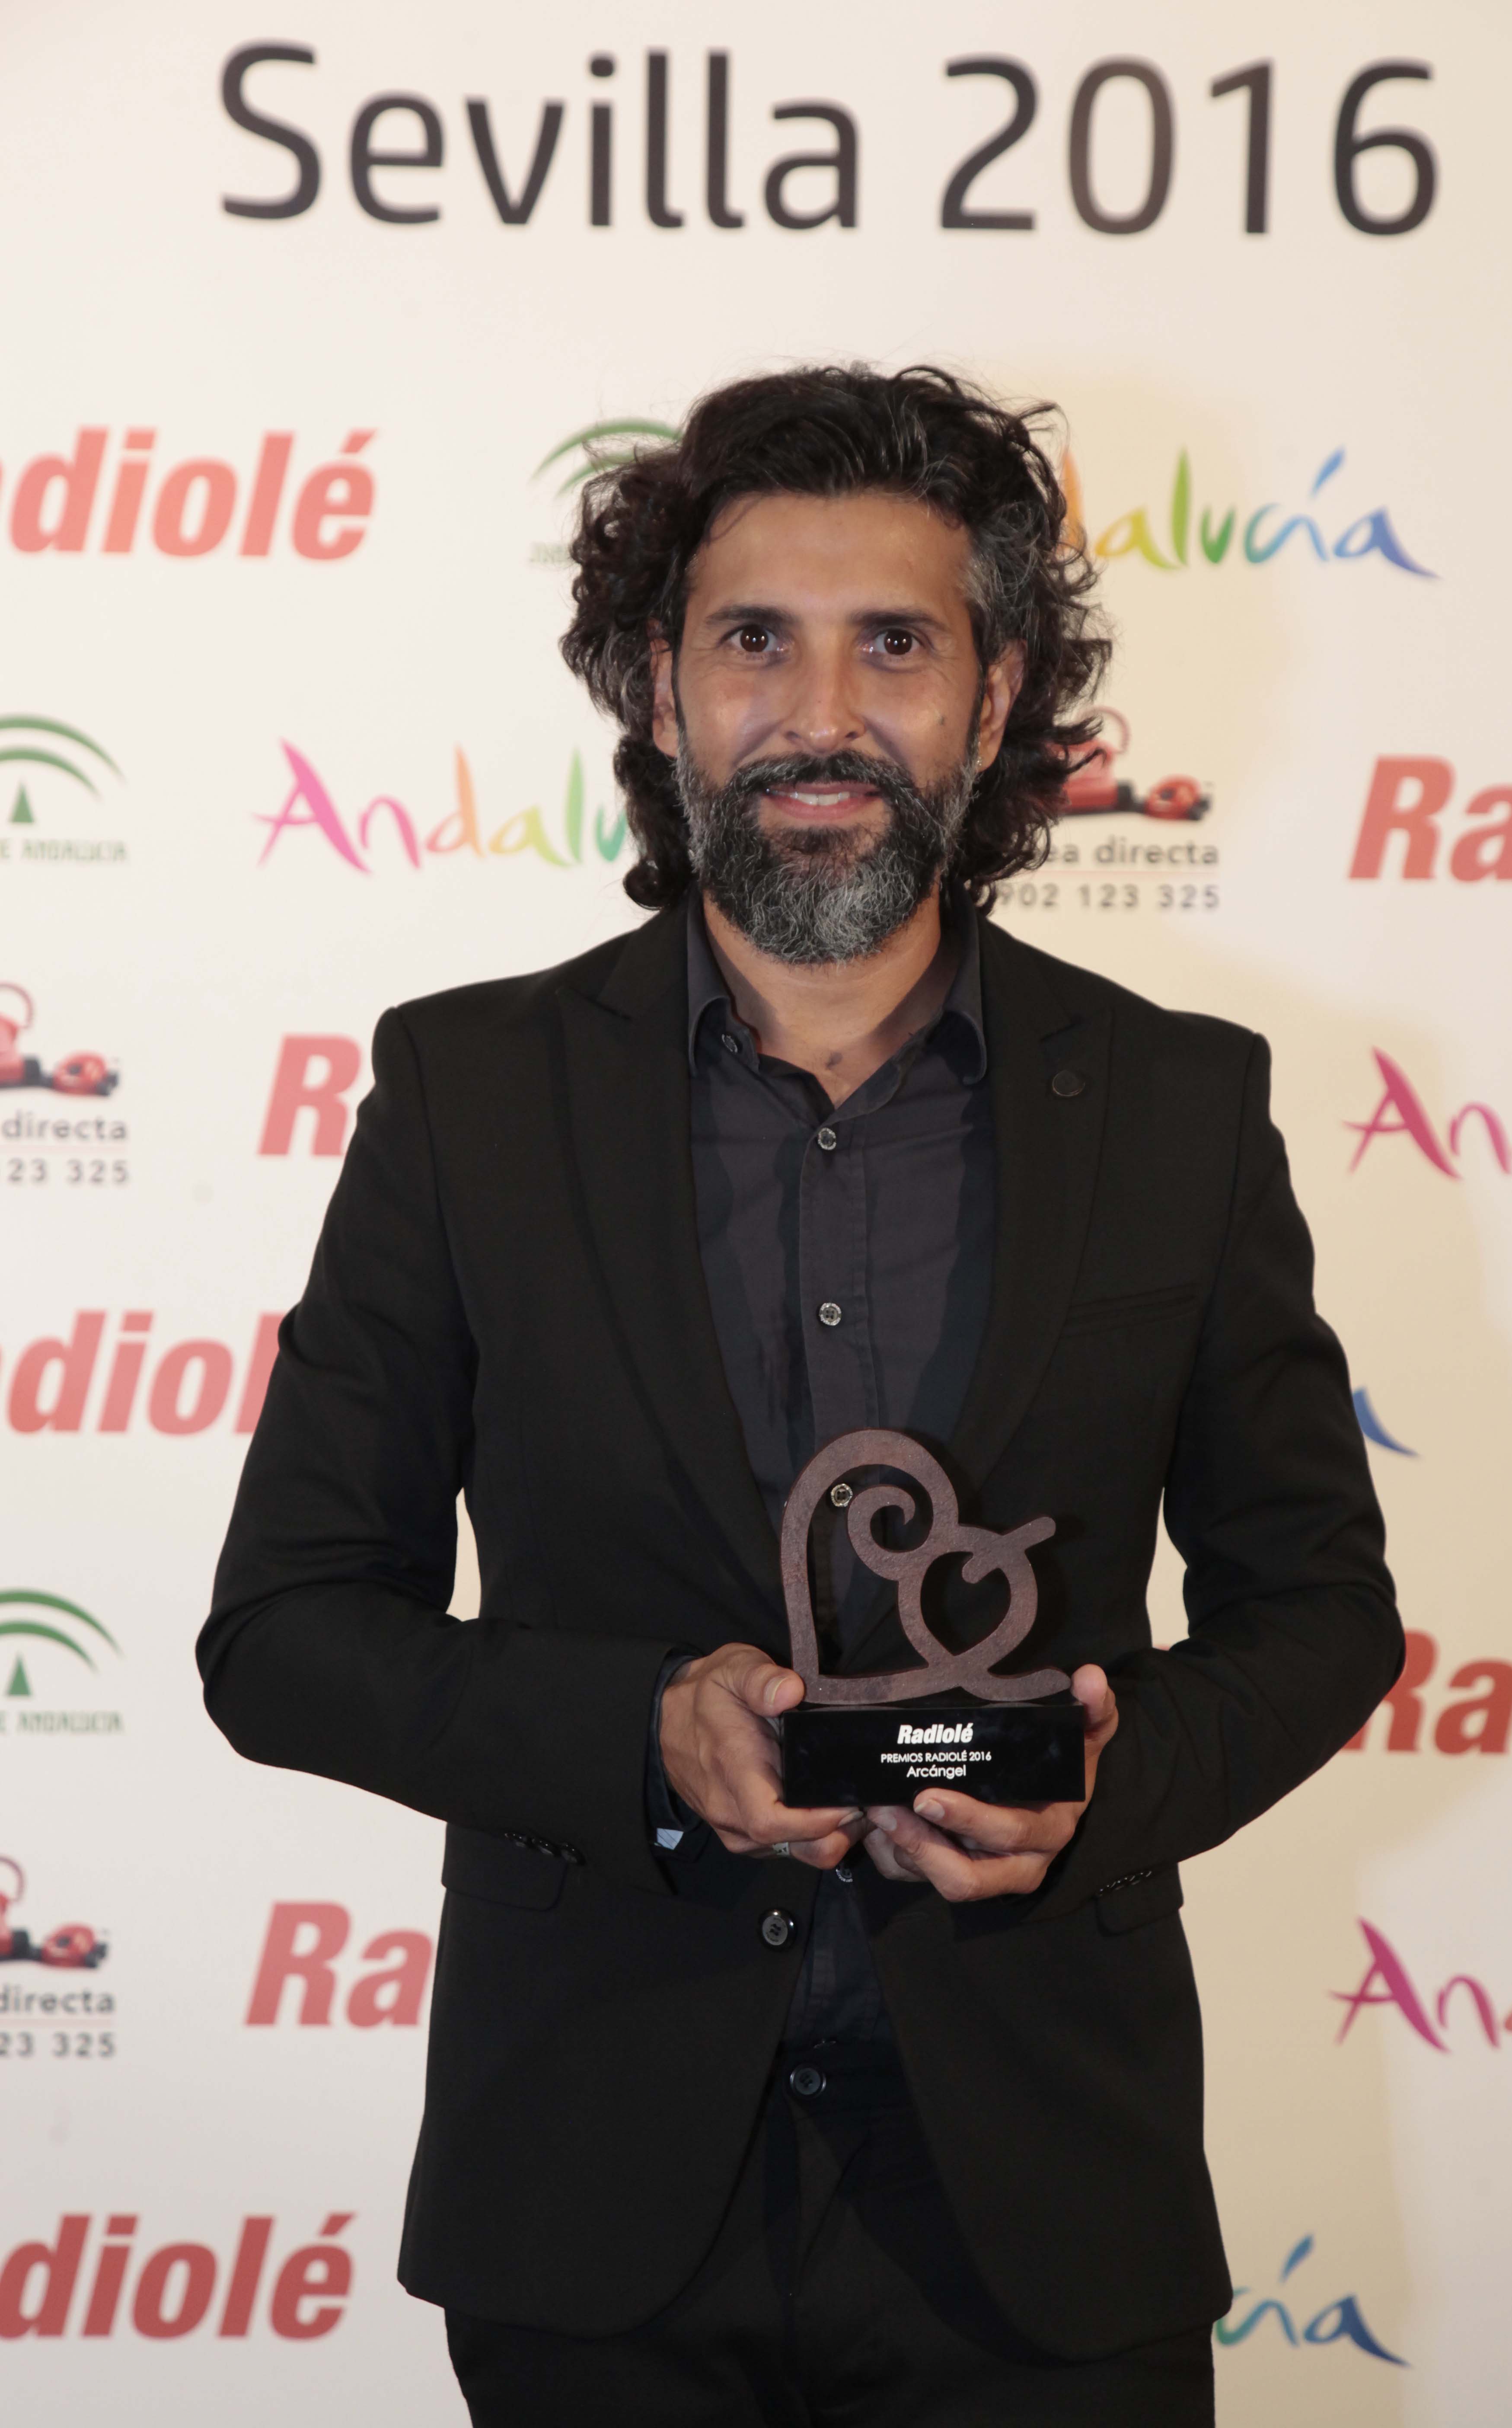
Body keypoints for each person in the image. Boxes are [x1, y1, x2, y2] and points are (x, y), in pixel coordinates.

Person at [199, 364, 1403, 2426]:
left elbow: (1324, 1612)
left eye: (895, 646)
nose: (820, 713)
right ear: (659, 692)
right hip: (596, 2204)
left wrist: (1104, 1783)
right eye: (754, 639)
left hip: (1048, 2208)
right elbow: (287, 1633)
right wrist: (642, 1737)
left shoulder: (1181, 1107)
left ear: (995, 701)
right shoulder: (472, 1098)